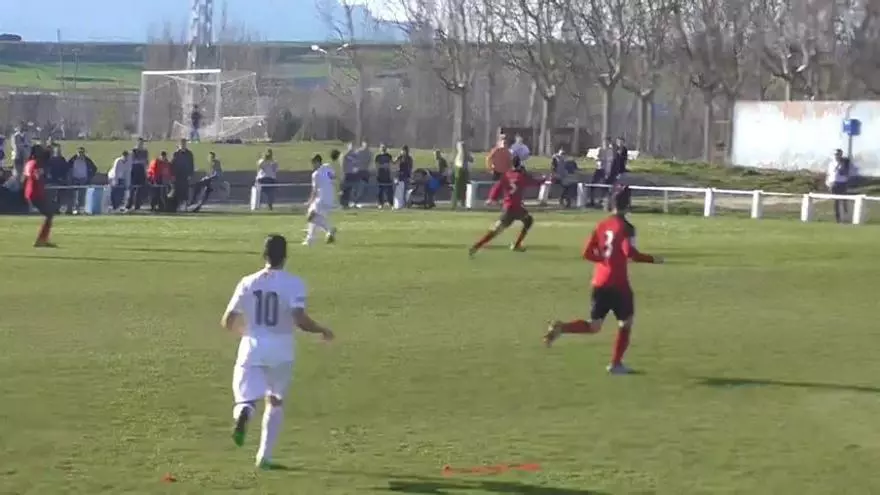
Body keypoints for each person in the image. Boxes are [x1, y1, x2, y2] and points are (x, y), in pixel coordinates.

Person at [221, 234, 334, 469]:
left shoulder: (247, 282)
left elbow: (228, 320)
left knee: (245, 399)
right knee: (275, 400)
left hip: (252, 347)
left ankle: (243, 413)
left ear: (264, 255)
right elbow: (299, 319)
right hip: (281, 349)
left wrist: (246, 333)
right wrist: (321, 329)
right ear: (285, 256)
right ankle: (265, 456)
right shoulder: (294, 283)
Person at [543, 185, 664, 374]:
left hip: (599, 282)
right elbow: (630, 253)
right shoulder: (627, 227)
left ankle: (562, 327)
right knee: (626, 322)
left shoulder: (601, 225)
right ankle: (615, 364)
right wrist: (654, 259)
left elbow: (586, 253)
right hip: (618, 284)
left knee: (594, 326)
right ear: (628, 204)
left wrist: (603, 260)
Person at [469, 156, 543, 256]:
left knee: (497, 230)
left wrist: (491, 198)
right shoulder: (522, 176)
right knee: (527, 221)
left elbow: (497, 188)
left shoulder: (506, 176)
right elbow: (534, 182)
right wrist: (545, 179)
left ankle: (477, 246)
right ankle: (516, 245)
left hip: (508, 207)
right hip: (516, 208)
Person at [23, 145, 56, 248]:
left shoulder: (29, 163)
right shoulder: (36, 164)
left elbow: (25, 178)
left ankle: (42, 240)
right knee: (49, 215)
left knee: (49, 214)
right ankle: (41, 240)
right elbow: (38, 177)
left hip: (31, 192)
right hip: (36, 193)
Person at [303, 151, 339, 246]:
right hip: (330, 197)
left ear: (317, 162)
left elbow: (314, 190)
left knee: (310, 217)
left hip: (321, 198)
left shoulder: (315, 174)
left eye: (313, 163)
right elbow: (334, 177)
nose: (312, 165)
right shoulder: (327, 167)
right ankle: (310, 240)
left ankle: (330, 229)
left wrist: (309, 201)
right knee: (316, 219)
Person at [826, 148, 852, 223]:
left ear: (841, 155)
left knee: (844, 200)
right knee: (836, 202)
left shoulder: (844, 163)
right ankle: (838, 218)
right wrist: (828, 182)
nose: (836, 156)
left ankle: (846, 217)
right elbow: (828, 174)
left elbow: (846, 173)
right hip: (833, 183)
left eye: (838, 154)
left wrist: (842, 169)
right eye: (835, 154)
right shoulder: (831, 163)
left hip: (842, 183)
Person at [171, 139, 195, 210]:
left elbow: (191, 165)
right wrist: (173, 175)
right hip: (177, 175)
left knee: (185, 190)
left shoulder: (189, 153)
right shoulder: (176, 153)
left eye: (184, 143)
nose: (183, 145)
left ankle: (184, 205)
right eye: (182, 144)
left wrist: (190, 174)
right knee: (177, 190)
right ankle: (177, 205)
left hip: (185, 175)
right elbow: (172, 164)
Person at [127, 138, 149, 211]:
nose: (141, 144)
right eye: (140, 143)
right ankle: (129, 205)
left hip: (141, 171)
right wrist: (141, 161)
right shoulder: (134, 151)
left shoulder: (145, 151)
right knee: (132, 189)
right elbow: (133, 160)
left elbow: (146, 162)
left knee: (139, 189)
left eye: (142, 143)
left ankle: (137, 206)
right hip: (135, 170)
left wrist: (146, 171)